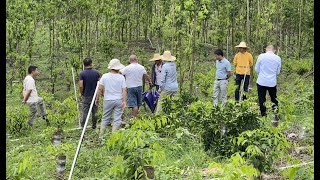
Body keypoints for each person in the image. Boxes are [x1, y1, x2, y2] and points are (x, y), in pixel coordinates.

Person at [96, 59, 127, 138]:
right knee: (117, 118)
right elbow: (124, 90)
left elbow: (99, 88)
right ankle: (113, 136)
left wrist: (97, 99)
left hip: (108, 100)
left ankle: (101, 136)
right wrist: (124, 101)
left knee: (105, 118)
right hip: (118, 100)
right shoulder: (121, 77)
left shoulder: (105, 76)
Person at [255, 45, 281, 117]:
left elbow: (256, 69)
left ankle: (263, 114)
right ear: (274, 50)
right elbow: (278, 72)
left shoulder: (261, 56)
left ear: (266, 49)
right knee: (273, 98)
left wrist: (261, 74)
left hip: (261, 81)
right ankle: (275, 113)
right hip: (272, 82)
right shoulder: (278, 58)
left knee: (262, 99)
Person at [79, 57, 101, 129]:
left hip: (86, 94)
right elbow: (100, 83)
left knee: (85, 110)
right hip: (95, 94)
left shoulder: (82, 74)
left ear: (84, 64)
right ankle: (94, 125)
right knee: (95, 110)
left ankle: (83, 126)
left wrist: (81, 93)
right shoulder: (96, 73)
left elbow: (81, 85)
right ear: (91, 64)